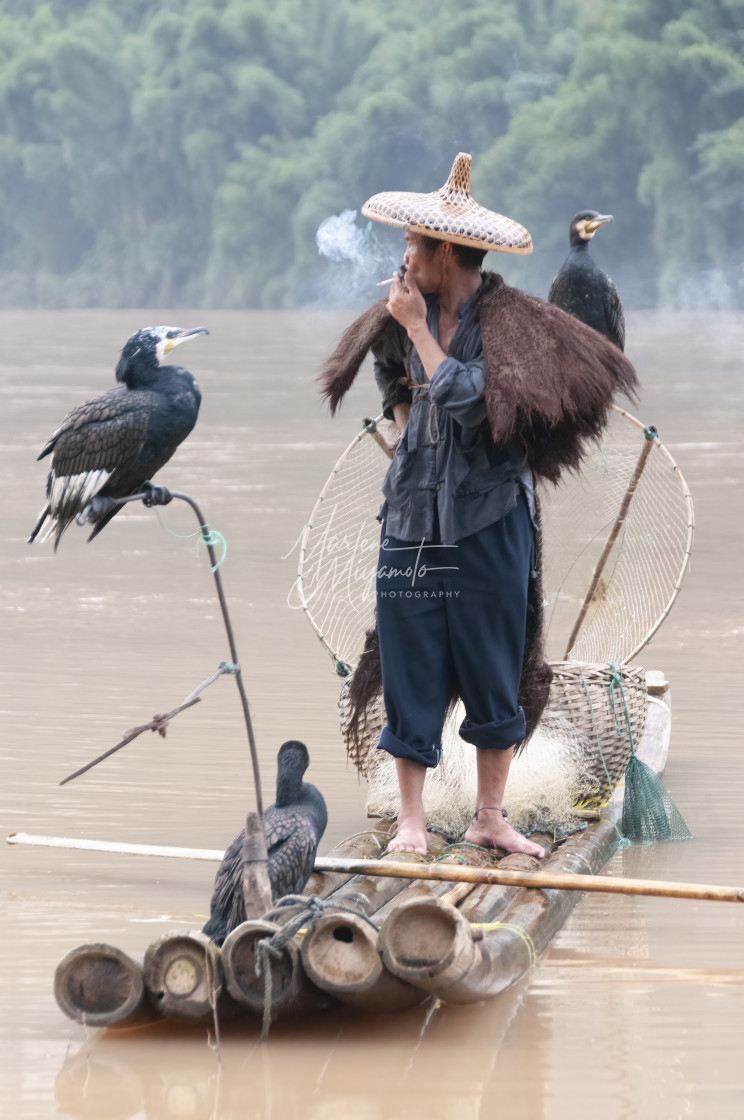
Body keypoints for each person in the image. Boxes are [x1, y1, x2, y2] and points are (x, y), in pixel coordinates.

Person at [320, 153, 638, 858]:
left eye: (413, 246)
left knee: (496, 665)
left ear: (442, 253)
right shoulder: (403, 317)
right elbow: (387, 371)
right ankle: (410, 821)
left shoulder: (515, 329)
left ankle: (489, 816)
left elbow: (473, 404)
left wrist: (421, 335)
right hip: (411, 524)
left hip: (491, 524)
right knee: (409, 658)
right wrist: (408, 433)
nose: (404, 257)